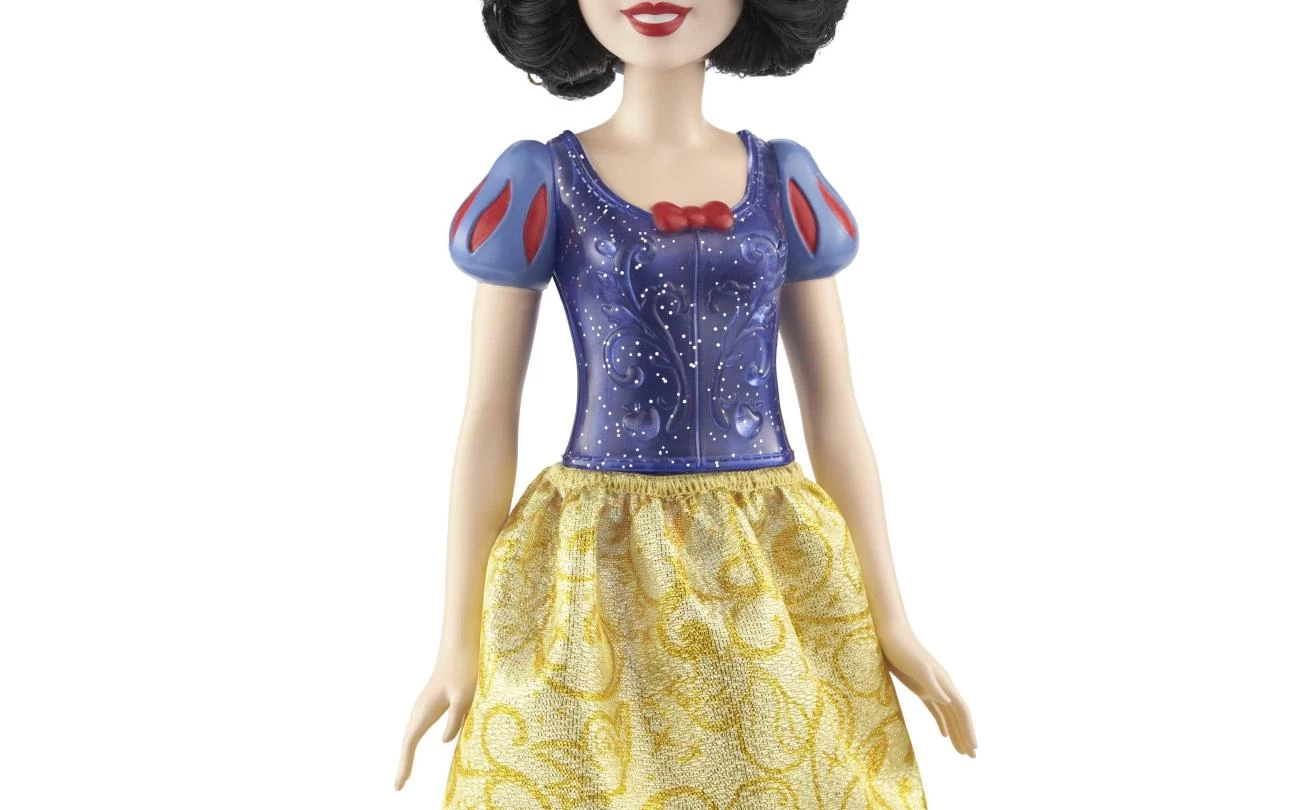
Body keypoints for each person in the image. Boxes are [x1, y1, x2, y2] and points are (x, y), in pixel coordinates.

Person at [397, 1, 976, 806]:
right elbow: (489, 415)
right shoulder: (543, 180)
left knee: (786, 767)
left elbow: (835, 411)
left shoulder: (784, 179)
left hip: (766, 549)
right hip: (596, 555)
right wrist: (455, 643)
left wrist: (893, 619)